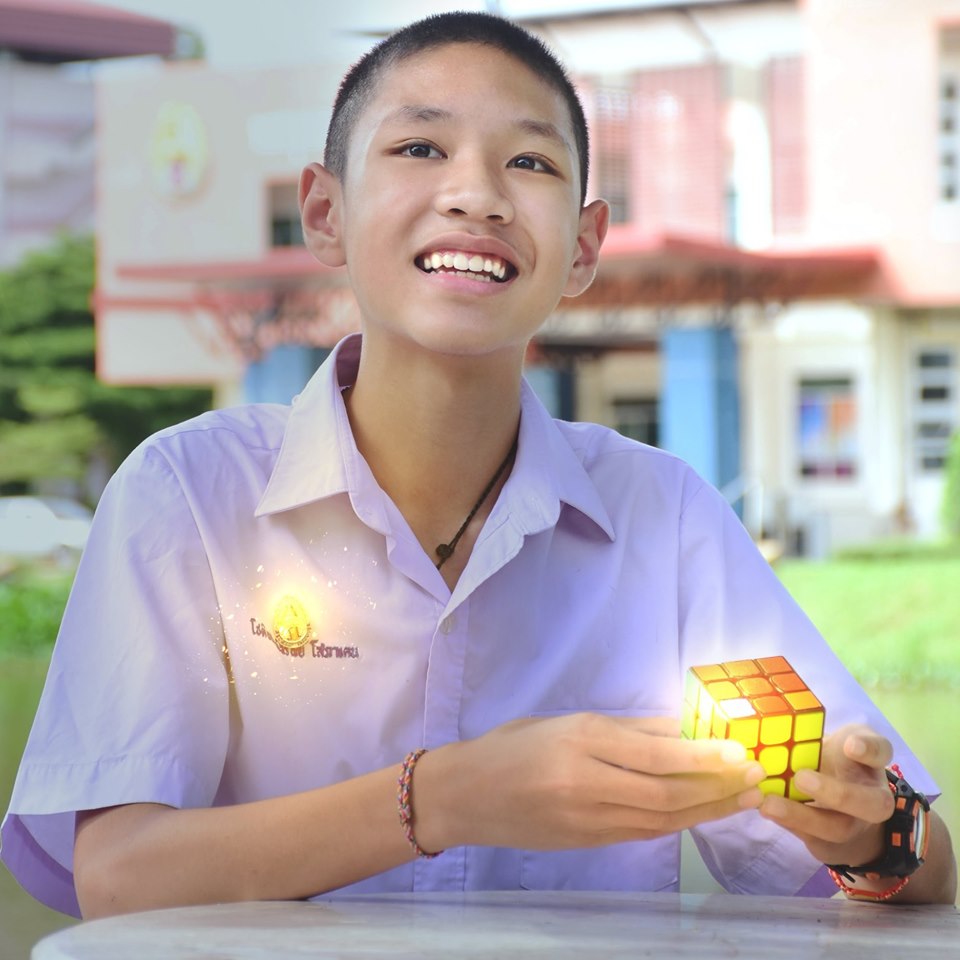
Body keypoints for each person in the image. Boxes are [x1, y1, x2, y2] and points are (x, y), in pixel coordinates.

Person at [1, 11, 955, 919]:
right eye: (420, 148)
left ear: (582, 248)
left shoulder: (663, 517)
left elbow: (925, 864)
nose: (476, 193)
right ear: (323, 213)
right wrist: (444, 798)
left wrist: (870, 839)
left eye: (530, 162)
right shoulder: (188, 496)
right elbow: (119, 877)